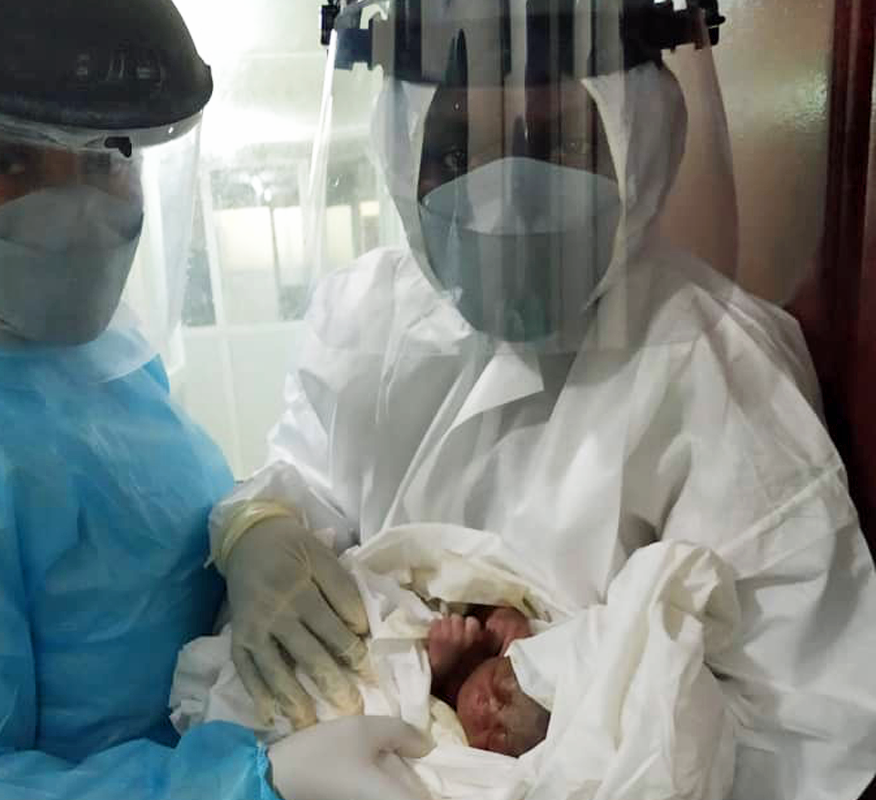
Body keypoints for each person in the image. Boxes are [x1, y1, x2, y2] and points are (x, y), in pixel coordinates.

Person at [210, 1, 876, 798]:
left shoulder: (722, 366)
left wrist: (575, 705)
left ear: (639, 143)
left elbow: (811, 730)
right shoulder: (363, 316)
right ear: (401, 156)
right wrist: (260, 528)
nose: (504, 200)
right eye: (455, 154)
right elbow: (307, 479)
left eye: (556, 144)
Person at [0, 1, 432, 799]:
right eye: (6, 162)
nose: (75, 209)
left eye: (107, 159)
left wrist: (248, 532)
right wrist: (251, 781)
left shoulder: (111, 367)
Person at [427, 608, 549, 757]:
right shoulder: (490, 646)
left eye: (496, 739)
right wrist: (502, 610)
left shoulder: (451, 740)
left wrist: (434, 671)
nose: (488, 708)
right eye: (501, 692)